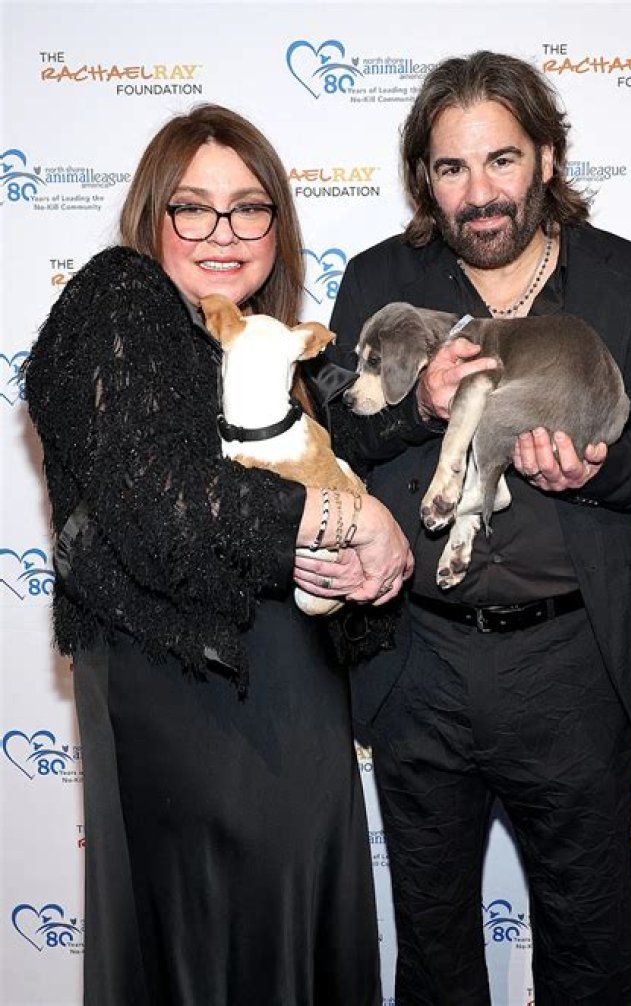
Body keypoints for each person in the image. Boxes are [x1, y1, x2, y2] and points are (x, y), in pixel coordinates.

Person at [318, 51, 631, 1005]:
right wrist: (419, 408)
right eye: (452, 169)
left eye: (501, 160)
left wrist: (603, 470)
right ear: (425, 179)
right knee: (434, 957)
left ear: (546, 157)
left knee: (588, 957)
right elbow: (334, 423)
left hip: (572, 669)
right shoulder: (381, 278)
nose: (480, 193)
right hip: (420, 666)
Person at [24, 103, 414, 1006]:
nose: (224, 233)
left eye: (249, 208)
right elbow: (158, 504)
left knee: (298, 948)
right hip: (187, 705)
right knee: (205, 956)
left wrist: (362, 572)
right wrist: (351, 520)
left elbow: (310, 548)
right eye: (194, 208)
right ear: (152, 214)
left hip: (297, 711)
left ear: (279, 222)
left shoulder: (276, 356)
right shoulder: (120, 295)